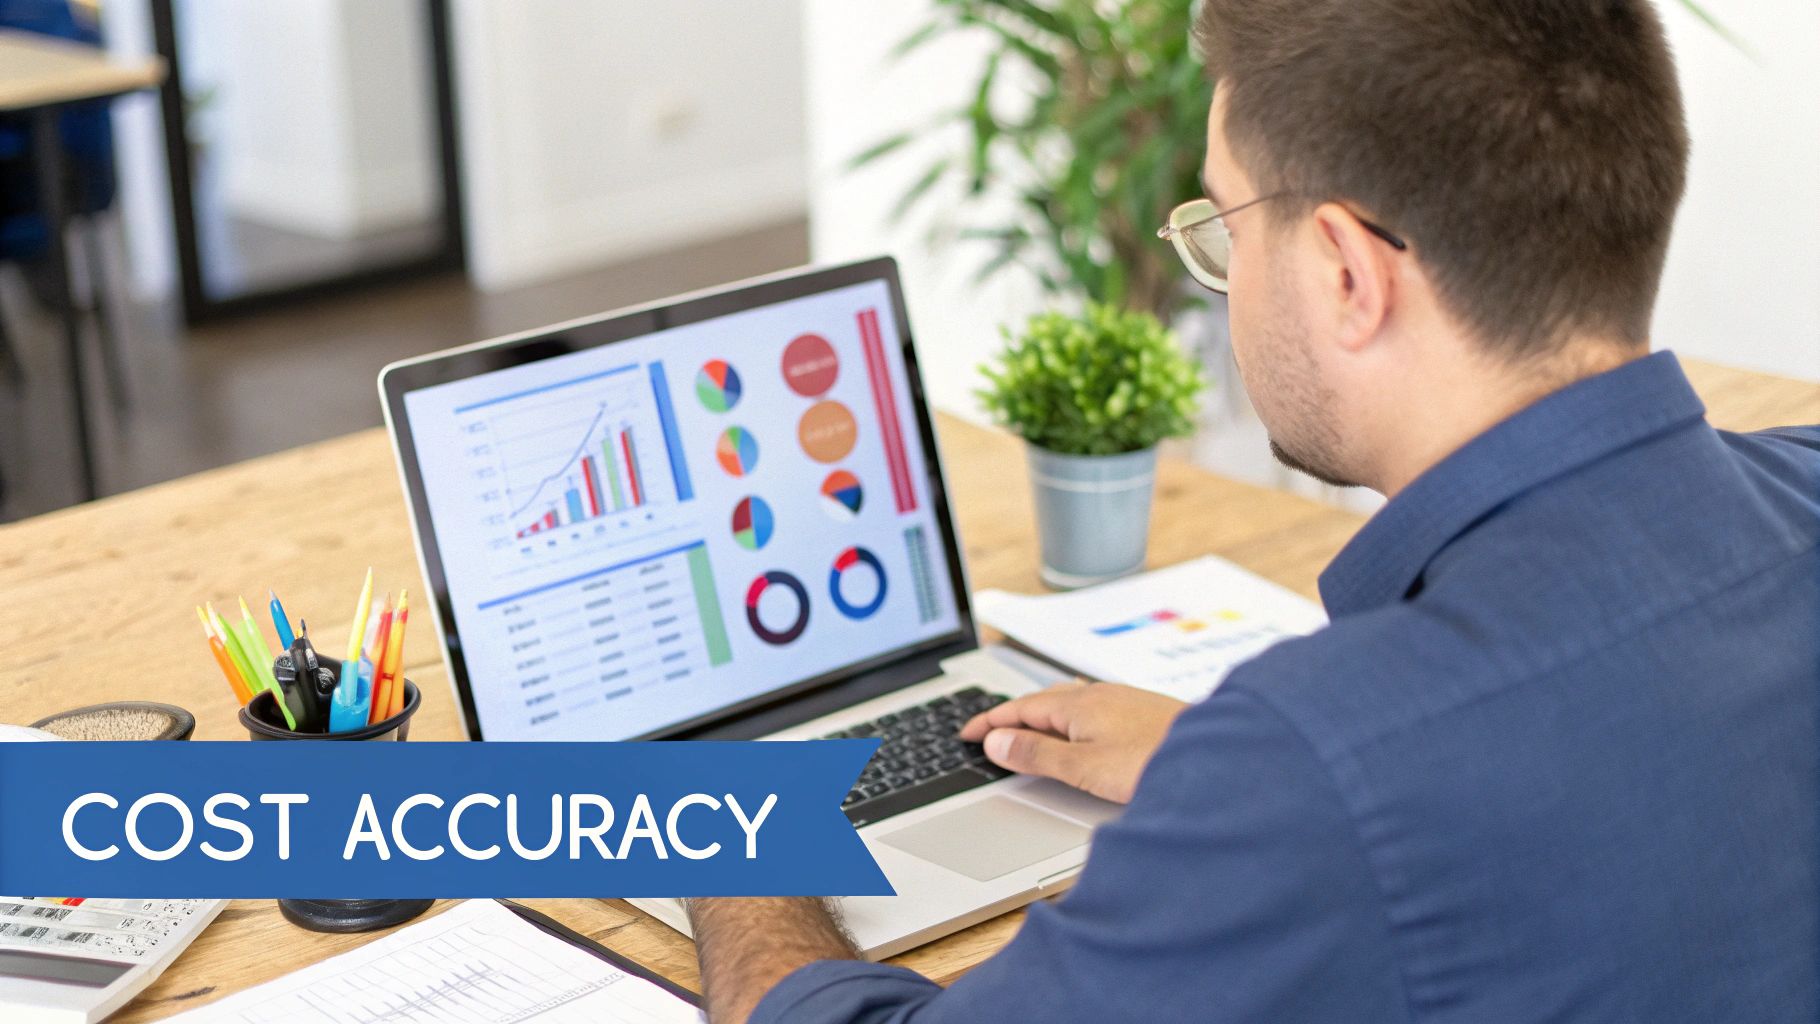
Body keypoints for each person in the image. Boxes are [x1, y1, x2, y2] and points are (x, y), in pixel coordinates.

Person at [686, 0, 1820, 1019]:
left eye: (1226, 226)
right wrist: (1209, 780)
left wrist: (732, 838)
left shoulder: (1320, 760)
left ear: (1342, 273)